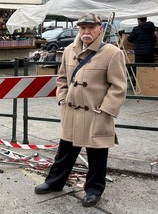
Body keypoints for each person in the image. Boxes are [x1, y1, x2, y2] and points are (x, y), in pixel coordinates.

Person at [34, 13, 127, 207]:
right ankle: (54, 182)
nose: (86, 31)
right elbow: (61, 79)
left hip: (96, 113)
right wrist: (62, 99)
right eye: (83, 27)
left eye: (91, 27)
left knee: (97, 156)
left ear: (100, 29)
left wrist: (106, 110)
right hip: (72, 112)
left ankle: (94, 190)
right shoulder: (69, 50)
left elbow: (119, 87)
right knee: (65, 151)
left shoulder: (112, 53)